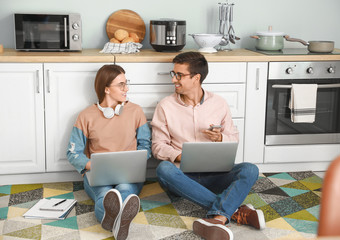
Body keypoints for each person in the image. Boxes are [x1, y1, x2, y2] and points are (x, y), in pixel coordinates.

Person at [151, 52, 265, 240]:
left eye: (179, 75)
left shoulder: (219, 103)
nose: (173, 79)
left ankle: (218, 217)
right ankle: (234, 212)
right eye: (173, 73)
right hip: (181, 177)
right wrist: (181, 156)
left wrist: (220, 138)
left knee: (250, 169)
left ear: (196, 78)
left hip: (216, 175)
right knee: (163, 169)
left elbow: (233, 138)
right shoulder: (165, 106)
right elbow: (158, 146)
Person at [66, 64, 151, 240]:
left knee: (125, 189)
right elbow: (73, 153)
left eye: (126, 83)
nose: (126, 88)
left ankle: (111, 222)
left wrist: (136, 161)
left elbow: (145, 145)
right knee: (105, 195)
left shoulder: (136, 111)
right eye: (121, 85)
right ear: (106, 89)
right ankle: (120, 222)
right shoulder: (86, 116)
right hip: (96, 174)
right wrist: (94, 166)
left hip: (129, 174)